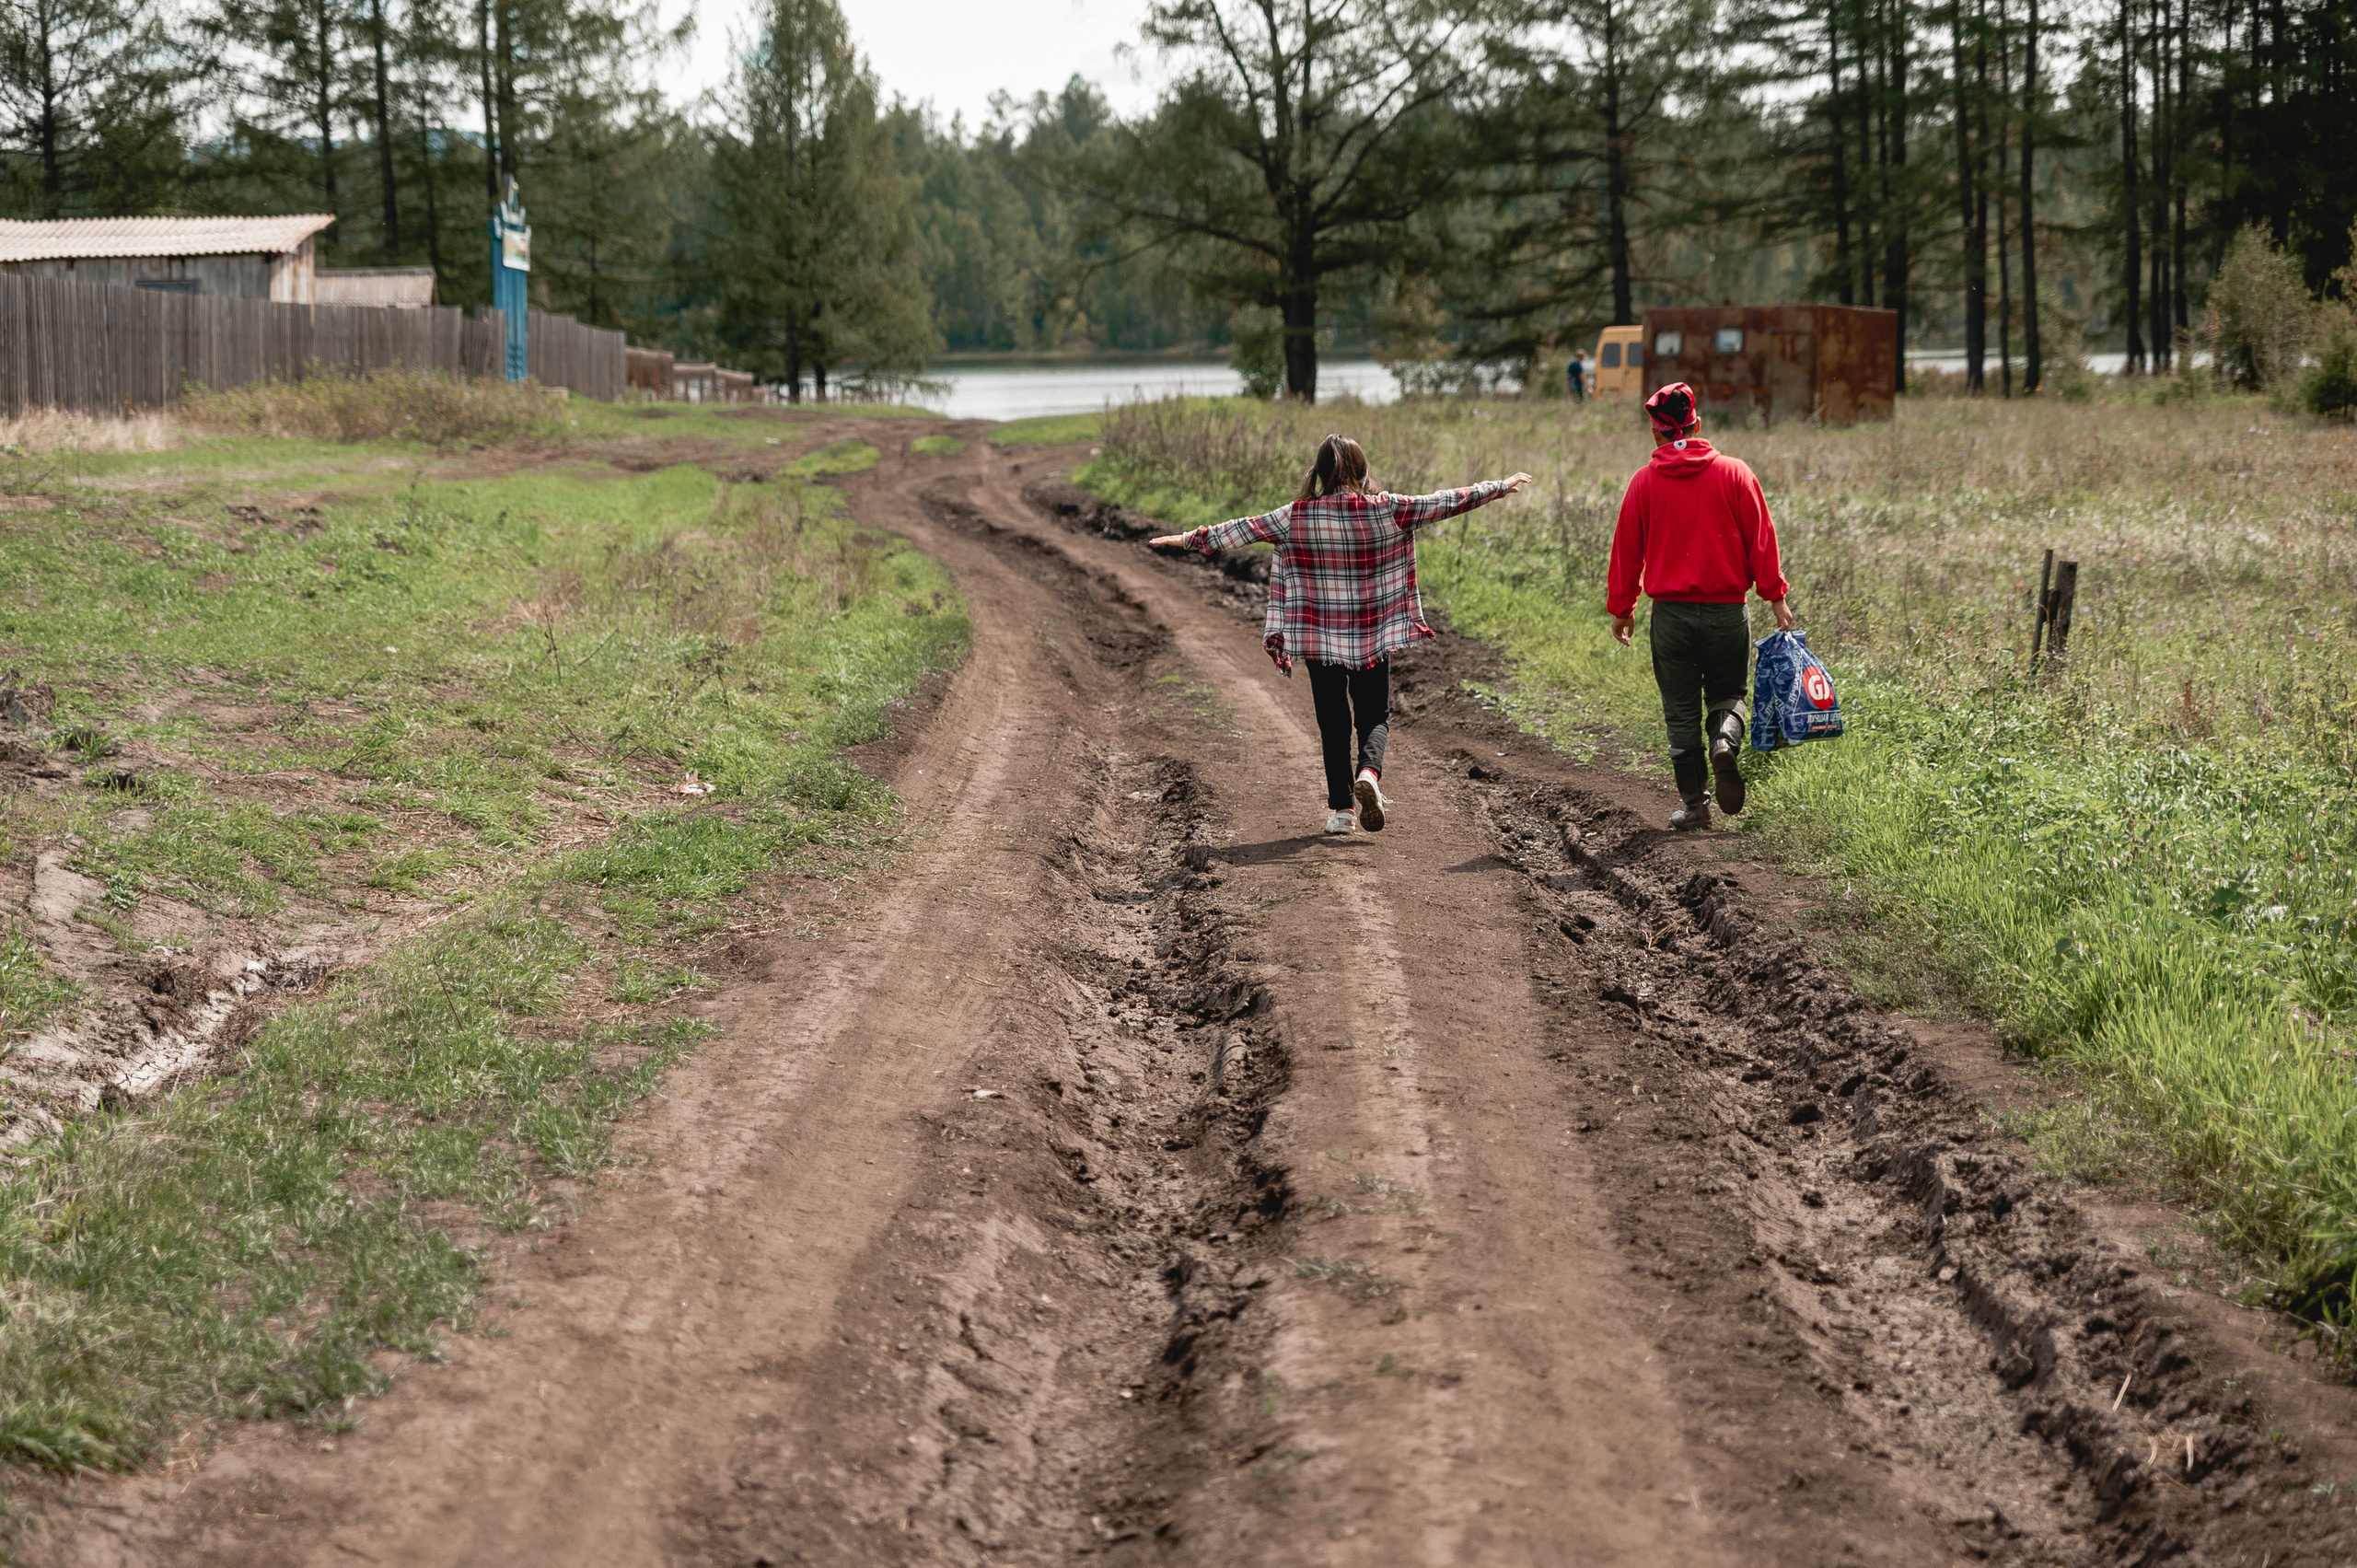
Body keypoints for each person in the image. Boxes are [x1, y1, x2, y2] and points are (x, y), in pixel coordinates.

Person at [1152, 436, 1533, 835]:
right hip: (1372, 637)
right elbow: (1444, 501)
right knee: (1374, 717)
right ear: (1362, 469)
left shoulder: (1295, 516)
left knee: (1332, 723)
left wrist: (1186, 539)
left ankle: (1341, 813)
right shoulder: (1387, 509)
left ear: (1318, 473)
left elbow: (1241, 530)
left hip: (1320, 641)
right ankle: (1369, 774)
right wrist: (1497, 487)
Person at [1605, 382, 1794, 832]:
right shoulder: (1735, 473)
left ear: (1655, 433)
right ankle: (1725, 740)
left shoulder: (1643, 483)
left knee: (1681, 709)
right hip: (1728, 612)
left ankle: (1694, 805)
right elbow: (1761, 541)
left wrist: (1623, 608)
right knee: (1729, 694)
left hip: (1670, 618)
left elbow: (1626, 552)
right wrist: (1775, 596)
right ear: (1698, 423)